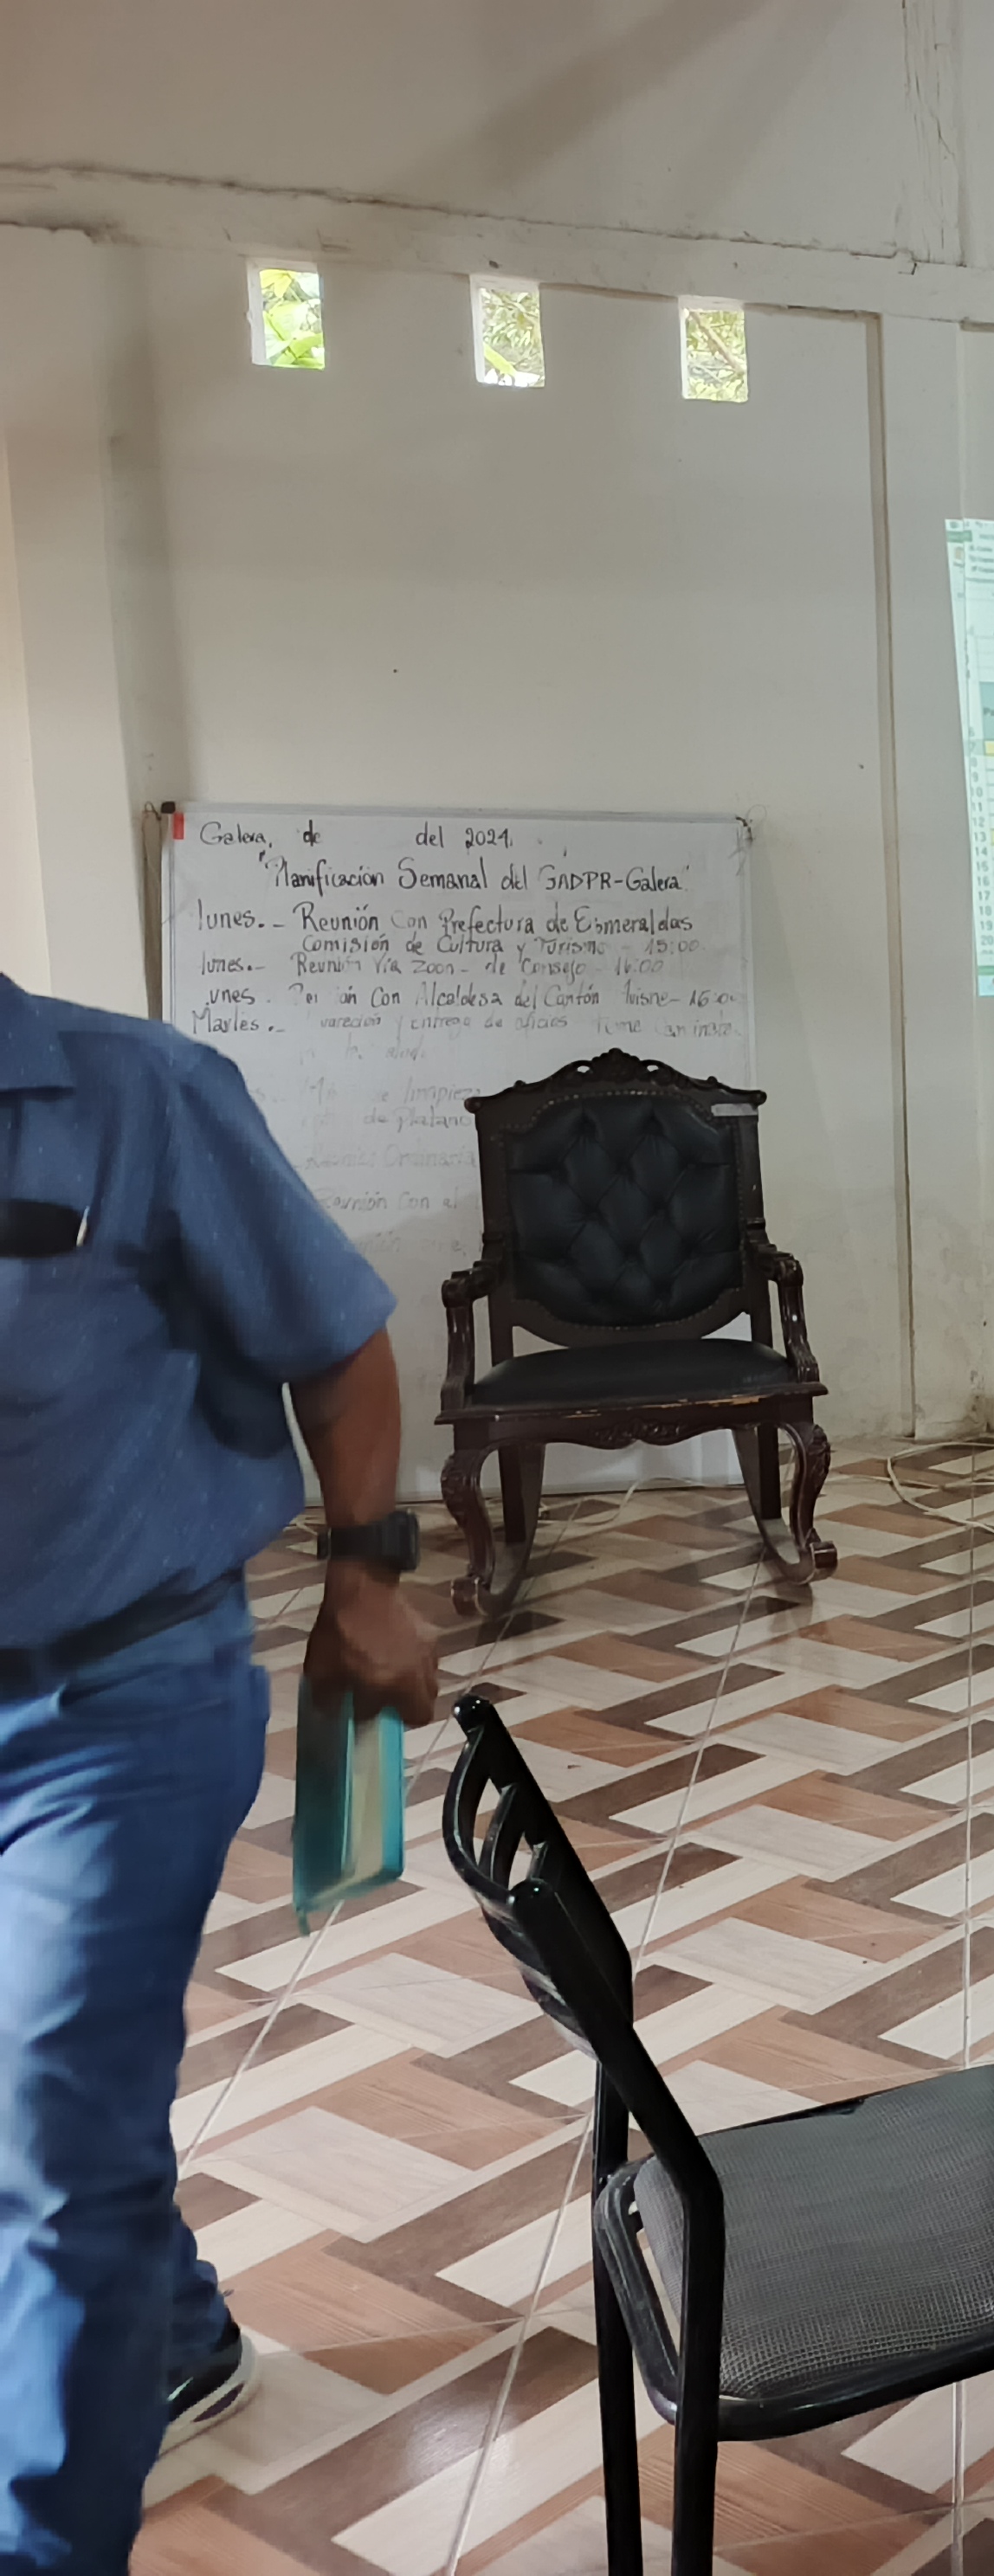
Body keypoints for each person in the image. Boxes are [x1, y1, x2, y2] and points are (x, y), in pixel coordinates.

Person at [0, 969, 438, 2571]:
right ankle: (177, 2329)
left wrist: (368, 1581)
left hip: (118, 1698)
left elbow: (342, 1344)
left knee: (55, 2126)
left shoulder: (138, 1093)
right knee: (57, 2113)